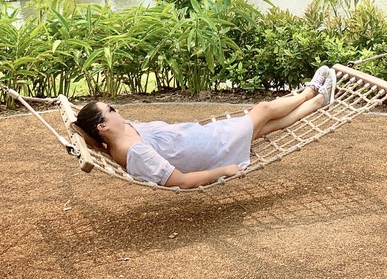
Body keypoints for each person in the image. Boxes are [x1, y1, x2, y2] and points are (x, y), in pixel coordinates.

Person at [74, 66, 336, 189]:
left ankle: (319, 101)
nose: (116, 110)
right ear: (103, 126)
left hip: (205, 136)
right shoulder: (135, 153)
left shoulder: (120, 136)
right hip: (212, 148)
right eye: (110, 110)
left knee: (266, 126)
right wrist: (224, 170)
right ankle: (310, 91)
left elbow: (90, 138)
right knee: (264, 110)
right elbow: (181, 181)